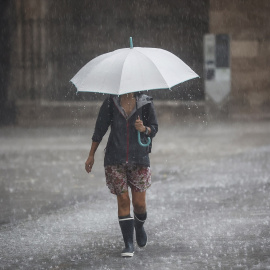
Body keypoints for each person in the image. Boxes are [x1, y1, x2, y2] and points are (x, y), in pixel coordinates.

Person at [85, 92, 158, 257]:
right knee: (123, 200)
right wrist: (91, 155)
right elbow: (100, 128)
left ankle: (138, 227)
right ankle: (128, 244)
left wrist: (144, 128)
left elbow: (154, 127)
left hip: (139, 158)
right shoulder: (111, 102)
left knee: (139, 204)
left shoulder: (145, 102)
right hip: (114, 158)